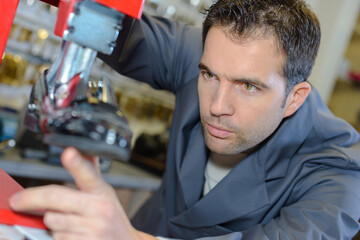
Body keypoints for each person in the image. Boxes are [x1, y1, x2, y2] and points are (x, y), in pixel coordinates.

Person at [9, 0, 360, 239]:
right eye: (208, 76)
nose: (217, 106)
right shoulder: (211, 51)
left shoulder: (339, 171)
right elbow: (118, 30)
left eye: (248, 86)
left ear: (294, 98)